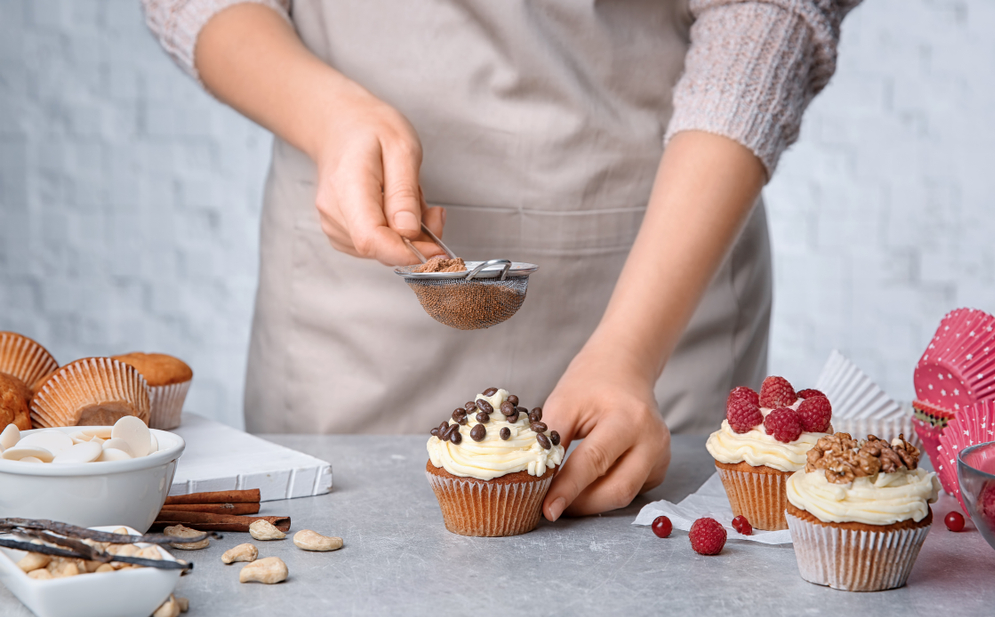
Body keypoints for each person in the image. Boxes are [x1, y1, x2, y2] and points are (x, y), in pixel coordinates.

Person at [143, 0, 860, 522]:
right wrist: (325, 115)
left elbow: (770, 12)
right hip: (357, 305)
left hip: (661, 261)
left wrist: (631, 350)